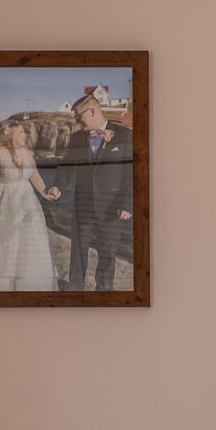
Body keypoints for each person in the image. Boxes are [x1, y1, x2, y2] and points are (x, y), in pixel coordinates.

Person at [44, 96, 135, 291]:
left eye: (78, 116)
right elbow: (67, 167)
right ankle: (76, 293)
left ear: (92, 112)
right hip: (82, 206)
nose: (77, 121)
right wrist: (58, 186)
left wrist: (127, 204)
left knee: (108, 256)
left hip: (111, 208)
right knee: (77, 256)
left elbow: (131, 174)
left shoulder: (124, 135)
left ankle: (103, 295)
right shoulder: (76, 138)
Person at [0, 120, 60, 290]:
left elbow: (34, 175)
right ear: (10, 134)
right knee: (8, 243)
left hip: (27, 204)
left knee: (31, 242)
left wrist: (46, 193)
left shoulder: (27, 152)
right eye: (20, 132)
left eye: (24, 132)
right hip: (4, 204)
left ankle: (30, 285)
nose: (24, 135)